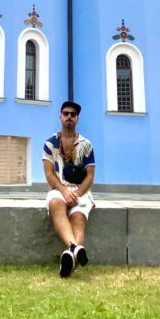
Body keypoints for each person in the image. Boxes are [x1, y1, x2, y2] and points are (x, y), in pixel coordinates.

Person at [43, 100, 96, 278]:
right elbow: (50, 174)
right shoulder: (50, 144)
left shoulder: (86, 145)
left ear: (77, 119)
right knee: (56, 204)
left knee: (78, 219)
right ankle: (75, 248)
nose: (69, 117)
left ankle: (70, 254)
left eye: (73, 115)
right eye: (66, 114)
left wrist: (77, 194)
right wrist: (65, 191)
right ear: (60, 117)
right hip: (58, 189)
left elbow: (90, 175)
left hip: (81, 191)